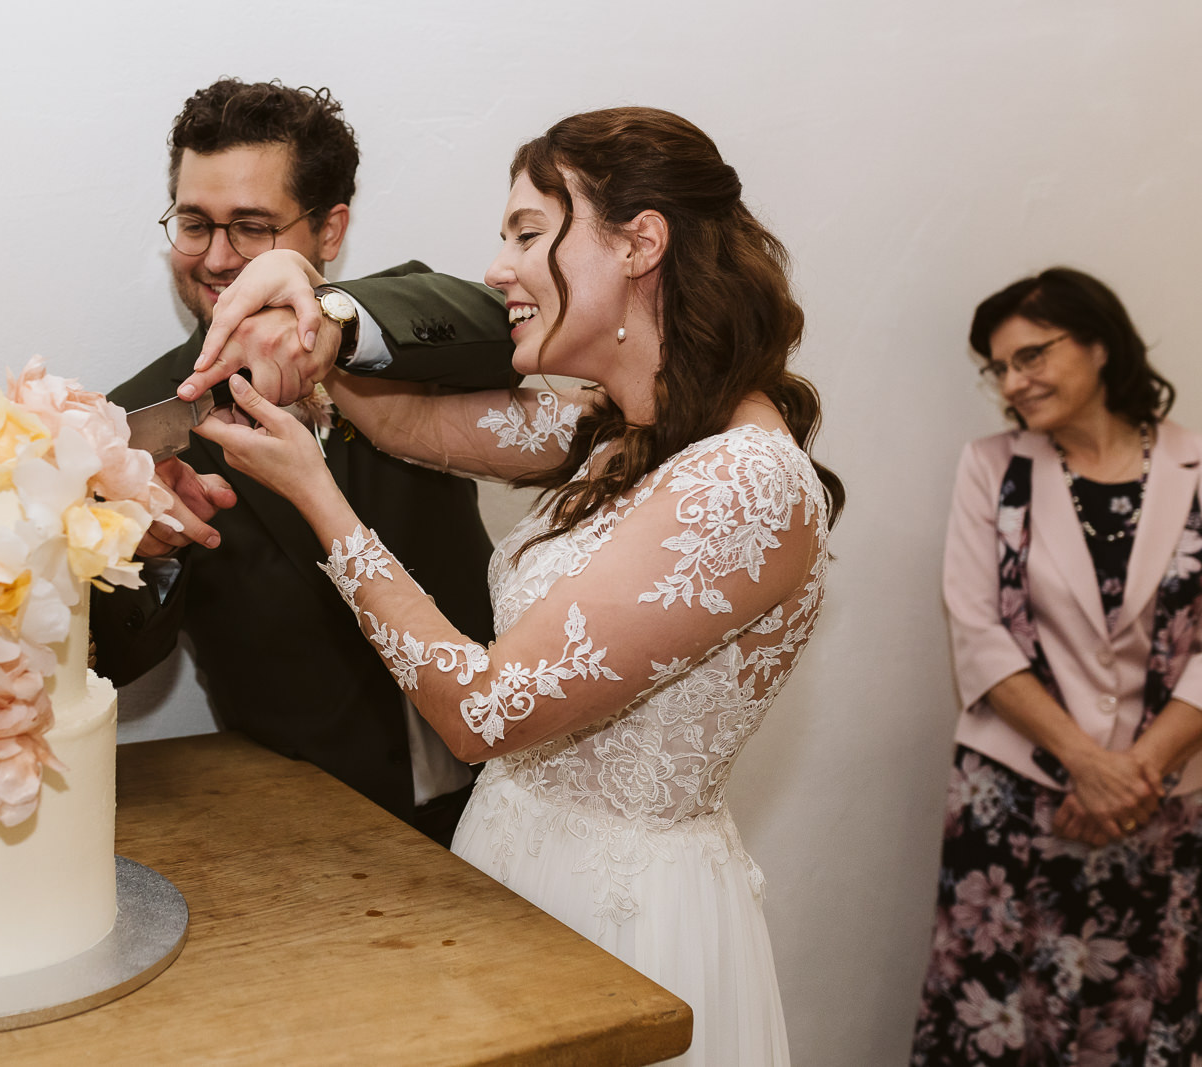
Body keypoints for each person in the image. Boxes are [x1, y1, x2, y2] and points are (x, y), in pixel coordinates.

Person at [190, 106, 844, 1067]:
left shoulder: (745, 482)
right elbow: (403, 423)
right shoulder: (614, 435)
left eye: (529, 234)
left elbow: (486, 712)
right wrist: (311, 304)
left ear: (640, 244)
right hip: (505, 873)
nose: (498, 268)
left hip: (628, 925)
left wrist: (320, 501)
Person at [90, 79, 516, 846]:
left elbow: (511, 329)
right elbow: (113, 665)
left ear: (329, 230)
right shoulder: (133, 425)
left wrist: (338, 325)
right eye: (195, 223)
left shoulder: (399, 329)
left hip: (510, 793)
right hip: (309, 835)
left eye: (250, 227)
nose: (217, 259)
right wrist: (143, 554)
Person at [910, 268, 1202, 1065]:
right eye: (999, 368)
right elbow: (976, 630)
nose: (1013, 381)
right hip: (1017, 797)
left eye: (1031, 355)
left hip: (1164, 795)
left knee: (1135, 1013)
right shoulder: (992, 466)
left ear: (1100, 344)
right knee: (1006, 1017)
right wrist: (1085, 763)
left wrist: (1134, 770)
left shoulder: (1198, 463)